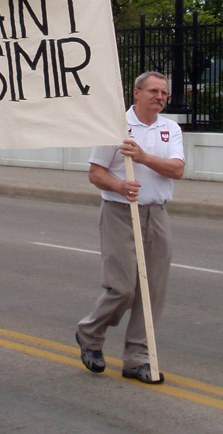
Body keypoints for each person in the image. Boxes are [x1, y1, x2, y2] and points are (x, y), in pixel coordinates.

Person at [75, 71, 185, 384]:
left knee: (152, 292)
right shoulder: (116, 127)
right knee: (123, 288)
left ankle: (137, 358)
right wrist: (121, 185)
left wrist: (143, 157)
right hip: (120, 213)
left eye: (163, 92)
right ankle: (90, 334)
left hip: (157, 214)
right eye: (153, 90)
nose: (159, 97)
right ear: (136, 93)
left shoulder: (170, 129)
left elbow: (177, 169)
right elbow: (96, 174)